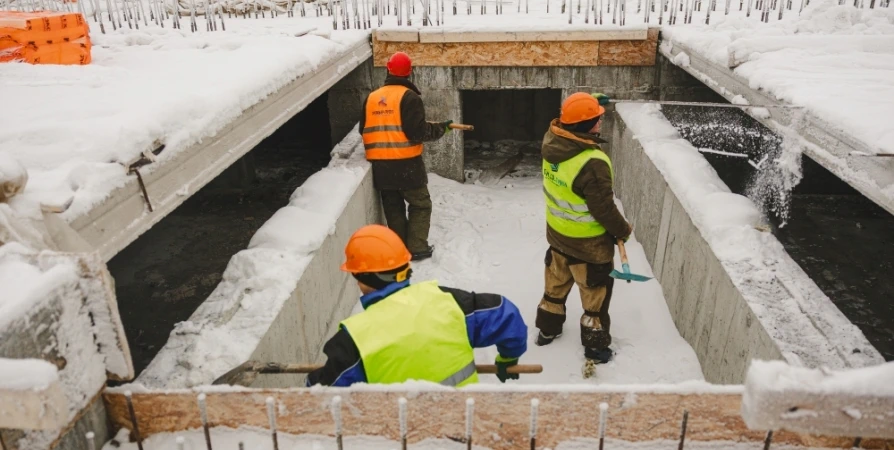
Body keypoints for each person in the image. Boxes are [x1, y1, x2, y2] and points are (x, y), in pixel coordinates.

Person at [306, 224, 528, 387]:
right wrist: (508, 358)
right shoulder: (450, 302)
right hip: (465, 427)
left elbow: (326, 397)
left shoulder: (355, 339)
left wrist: (315, 379)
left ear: (362, 279)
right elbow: (505, 314)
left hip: (408, 438)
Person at [535, 92, 633, 373]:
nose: (601, 122)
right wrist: (623, 230)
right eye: (597, 119)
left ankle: (547, 332)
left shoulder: (552, 141)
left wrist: (588, 103)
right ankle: (596, 347)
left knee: (554, 287)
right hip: (589, 246)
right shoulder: (592, 162)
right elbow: (602, 208)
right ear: (586, 124)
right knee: (595, 297)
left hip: (557, 235)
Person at [359, 51, 454, 262]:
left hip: (381, 168)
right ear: (410, 73)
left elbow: (363, 130)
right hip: (407, 164)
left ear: (388, 70)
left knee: (393, 207)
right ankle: (417, 247)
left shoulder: (371, 98)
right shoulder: (409, 97)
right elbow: (417, 133)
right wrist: (441, 129)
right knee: (420, 204)